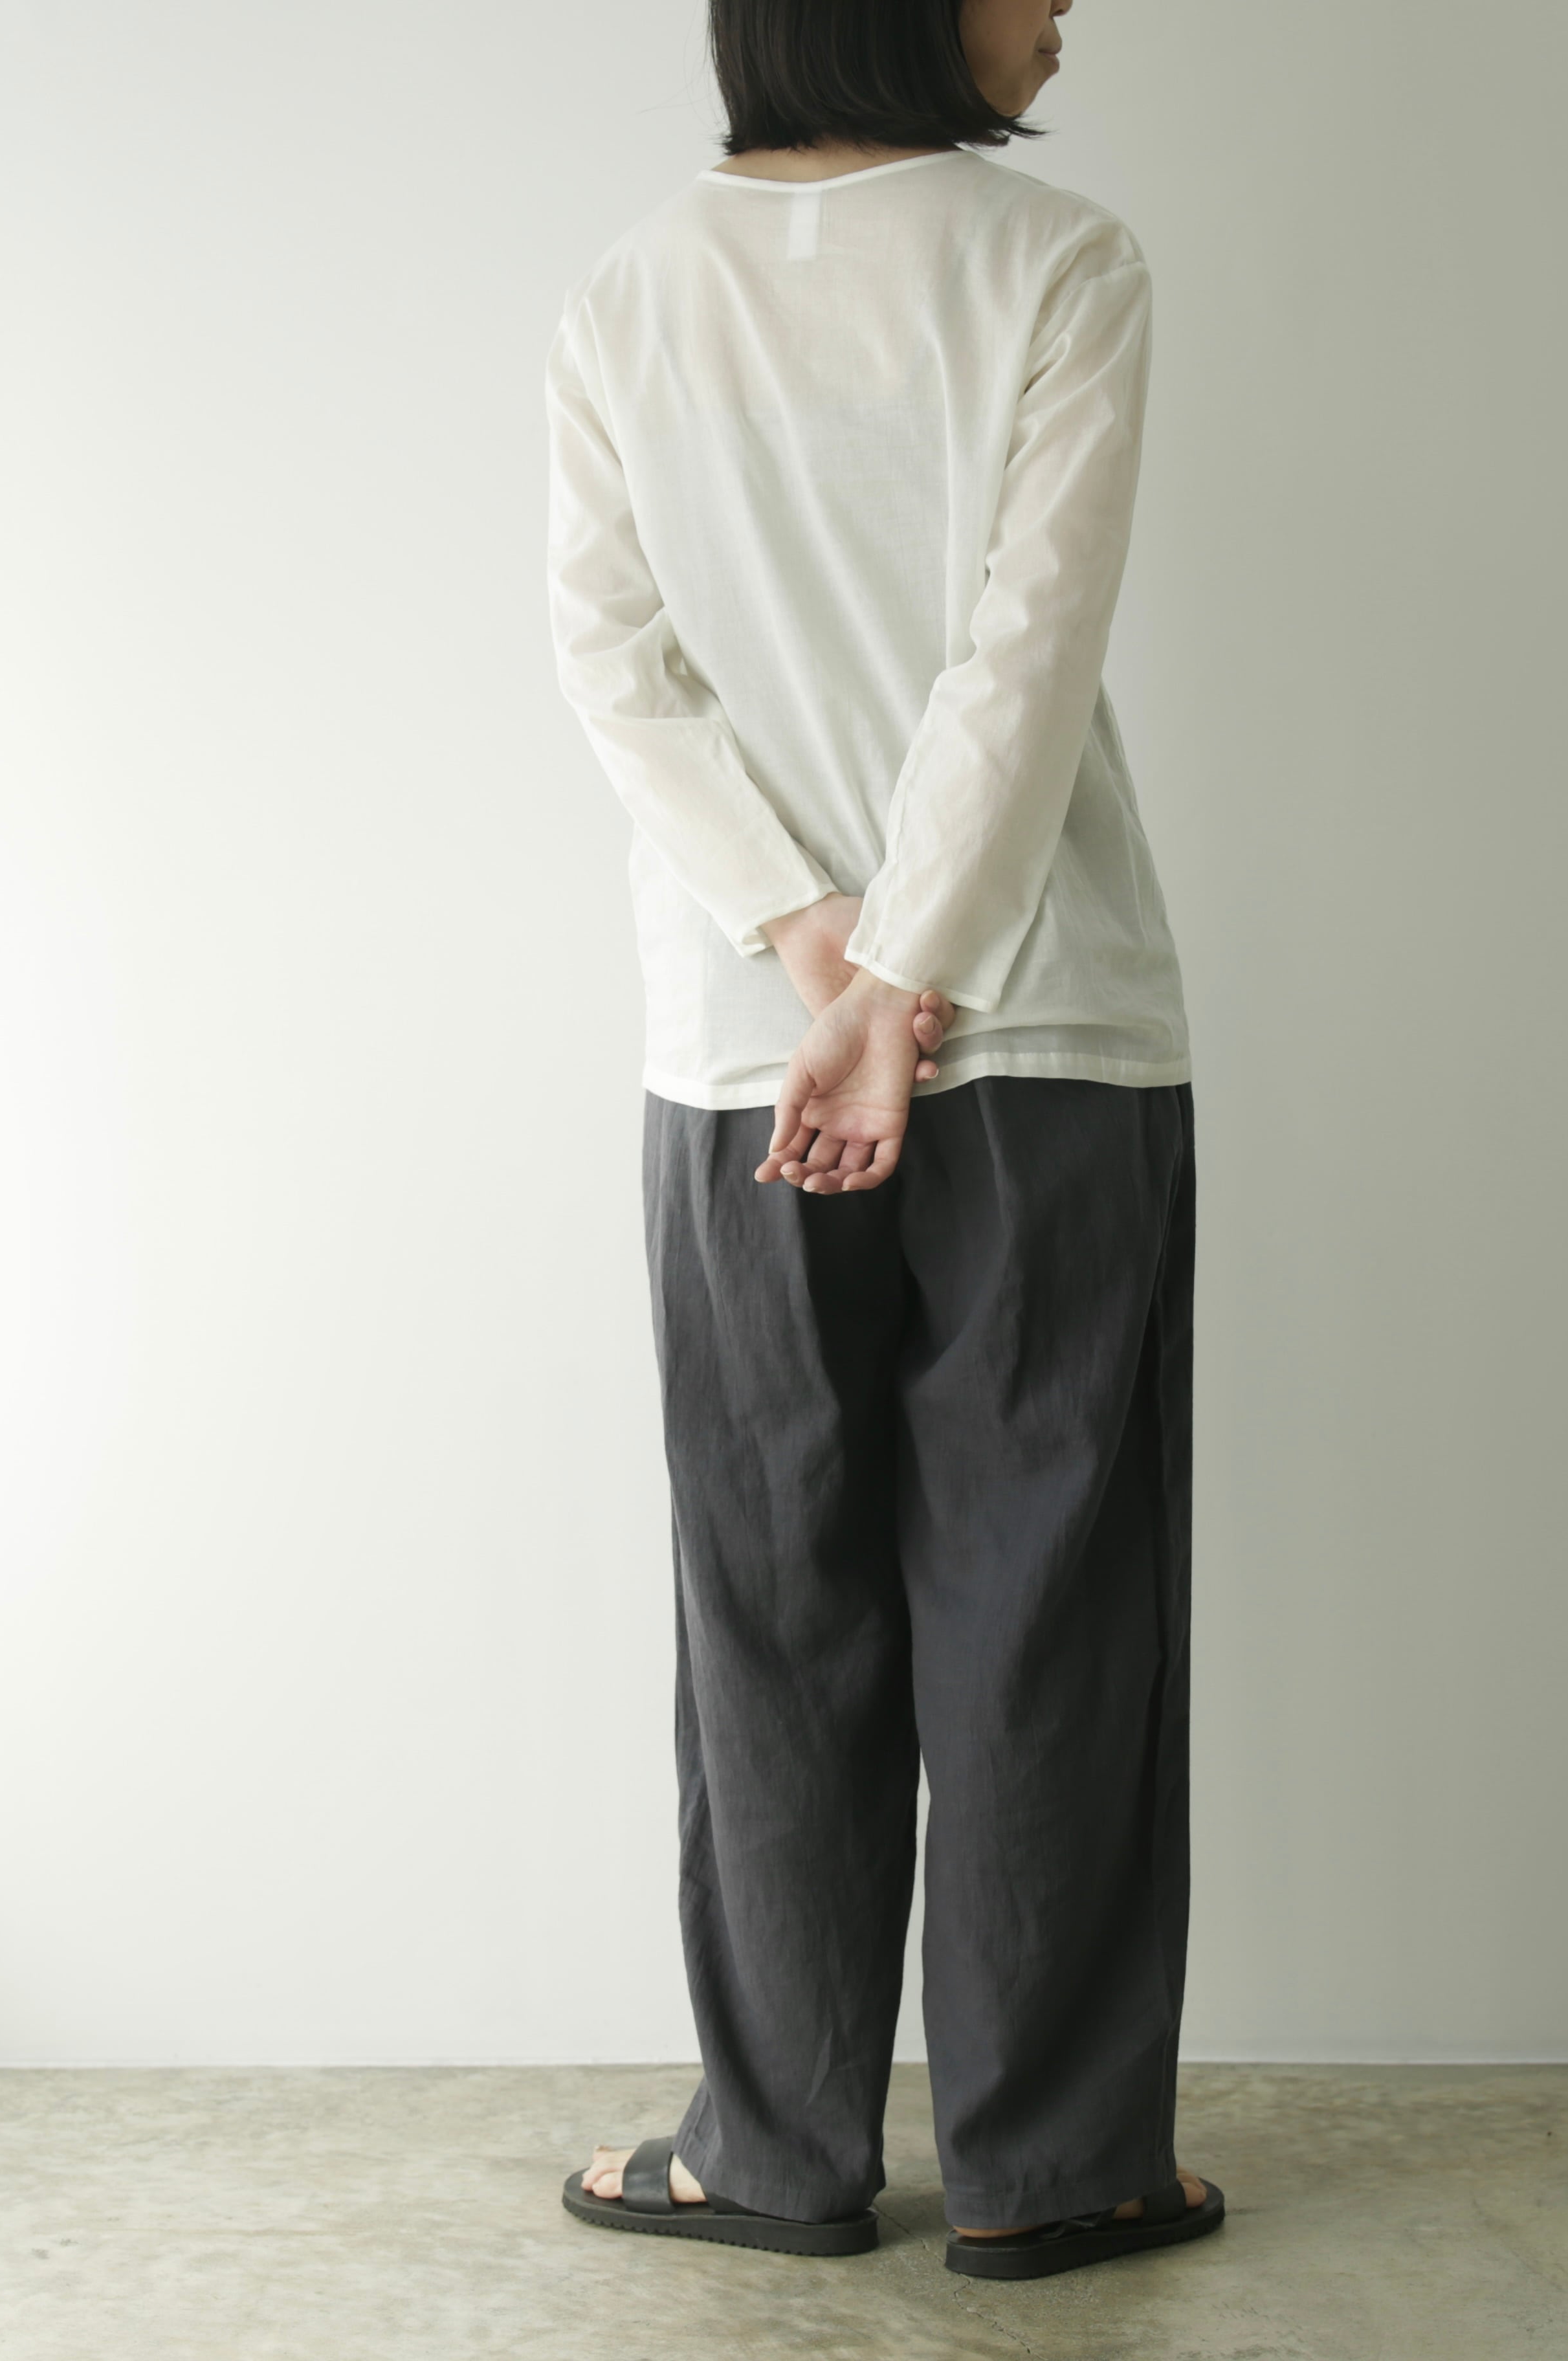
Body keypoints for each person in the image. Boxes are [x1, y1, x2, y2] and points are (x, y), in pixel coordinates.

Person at [544, 0, 1217, 2284]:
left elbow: (614, 663)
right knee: (1055, 1601)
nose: (1070, 6)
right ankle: (1058, 2166)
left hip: (744, 1056)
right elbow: (1026, 652)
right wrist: (913, 980)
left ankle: (775, 2150)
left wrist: (815, 955)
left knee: (769, 1605)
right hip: (1049, 1036)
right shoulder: (1062, 267)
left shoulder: (631, 293)